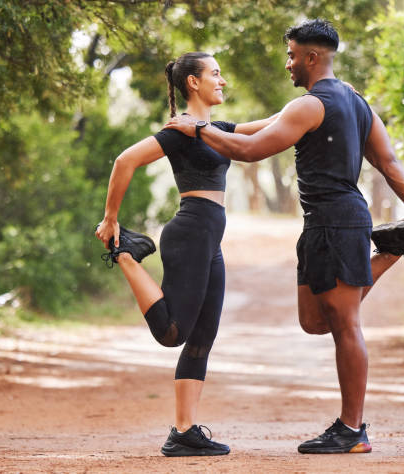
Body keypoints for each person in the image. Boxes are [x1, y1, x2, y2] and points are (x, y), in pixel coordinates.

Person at [164, 19, 404, 454]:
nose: (287, 64)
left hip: (339, 221)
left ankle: (352, 429)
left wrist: (198, 130)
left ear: (312, 57)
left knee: (346, 323)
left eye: (292, 55)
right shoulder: (354, 101)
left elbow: (251, 151)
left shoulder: (311, 105)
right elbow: (390, 163)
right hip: (320, 225)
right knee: (313, 321)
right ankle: (389, 249)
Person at [94, 52, 276, 457]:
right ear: (193, 83)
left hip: (209, 240)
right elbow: (126, 160)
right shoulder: (179, 131)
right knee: (172, 333)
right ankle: (125, 255)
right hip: (191, 232)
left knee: (202, 338)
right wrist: (111, 220)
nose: (223, 80)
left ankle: (184, 431)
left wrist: (318, 100)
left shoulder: (215, 129)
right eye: (215, 74)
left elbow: (270, 126)